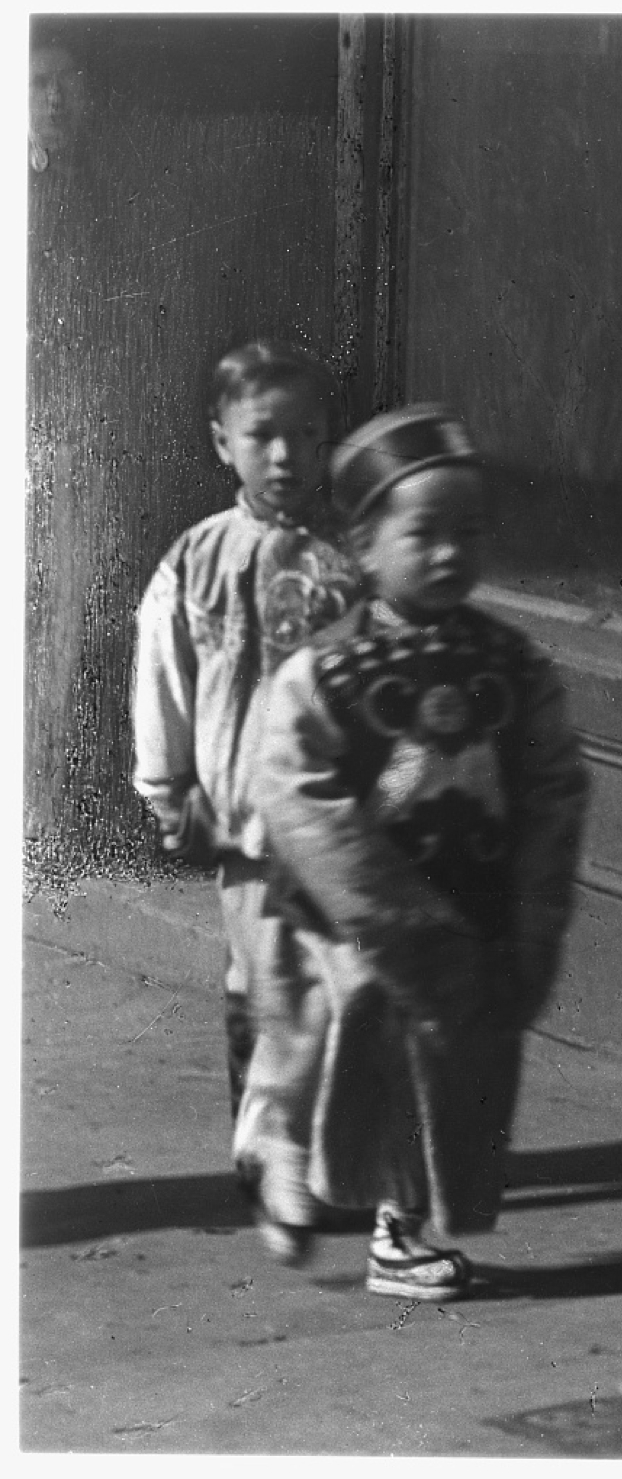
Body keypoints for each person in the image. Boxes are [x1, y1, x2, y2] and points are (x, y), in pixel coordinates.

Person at [234, 403, 589, 1298]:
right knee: (358, 1041)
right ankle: (335, 1186)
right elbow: (295, 791)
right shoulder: (325, 672)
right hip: (355, 917)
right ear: (363, 546)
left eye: (468, 532)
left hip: (471, 904)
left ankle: (404, 1219)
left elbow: (552, 782)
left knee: (458, 1059)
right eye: (423, 532)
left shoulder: (511, 664)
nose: (448, 553)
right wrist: (385, 911)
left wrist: (534, 912)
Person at [132, 339, 360, 1135]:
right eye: (263, 434)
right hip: (249, 819)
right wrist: (167, 791)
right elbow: (164, 673)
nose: (286, 454)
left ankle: (335, 1141)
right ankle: (267, 1142)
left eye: (306, 434)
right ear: (222, 440)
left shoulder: (353, 558)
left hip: (345, 812)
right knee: (263, 974)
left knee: (345, 975)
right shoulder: (200, 559)